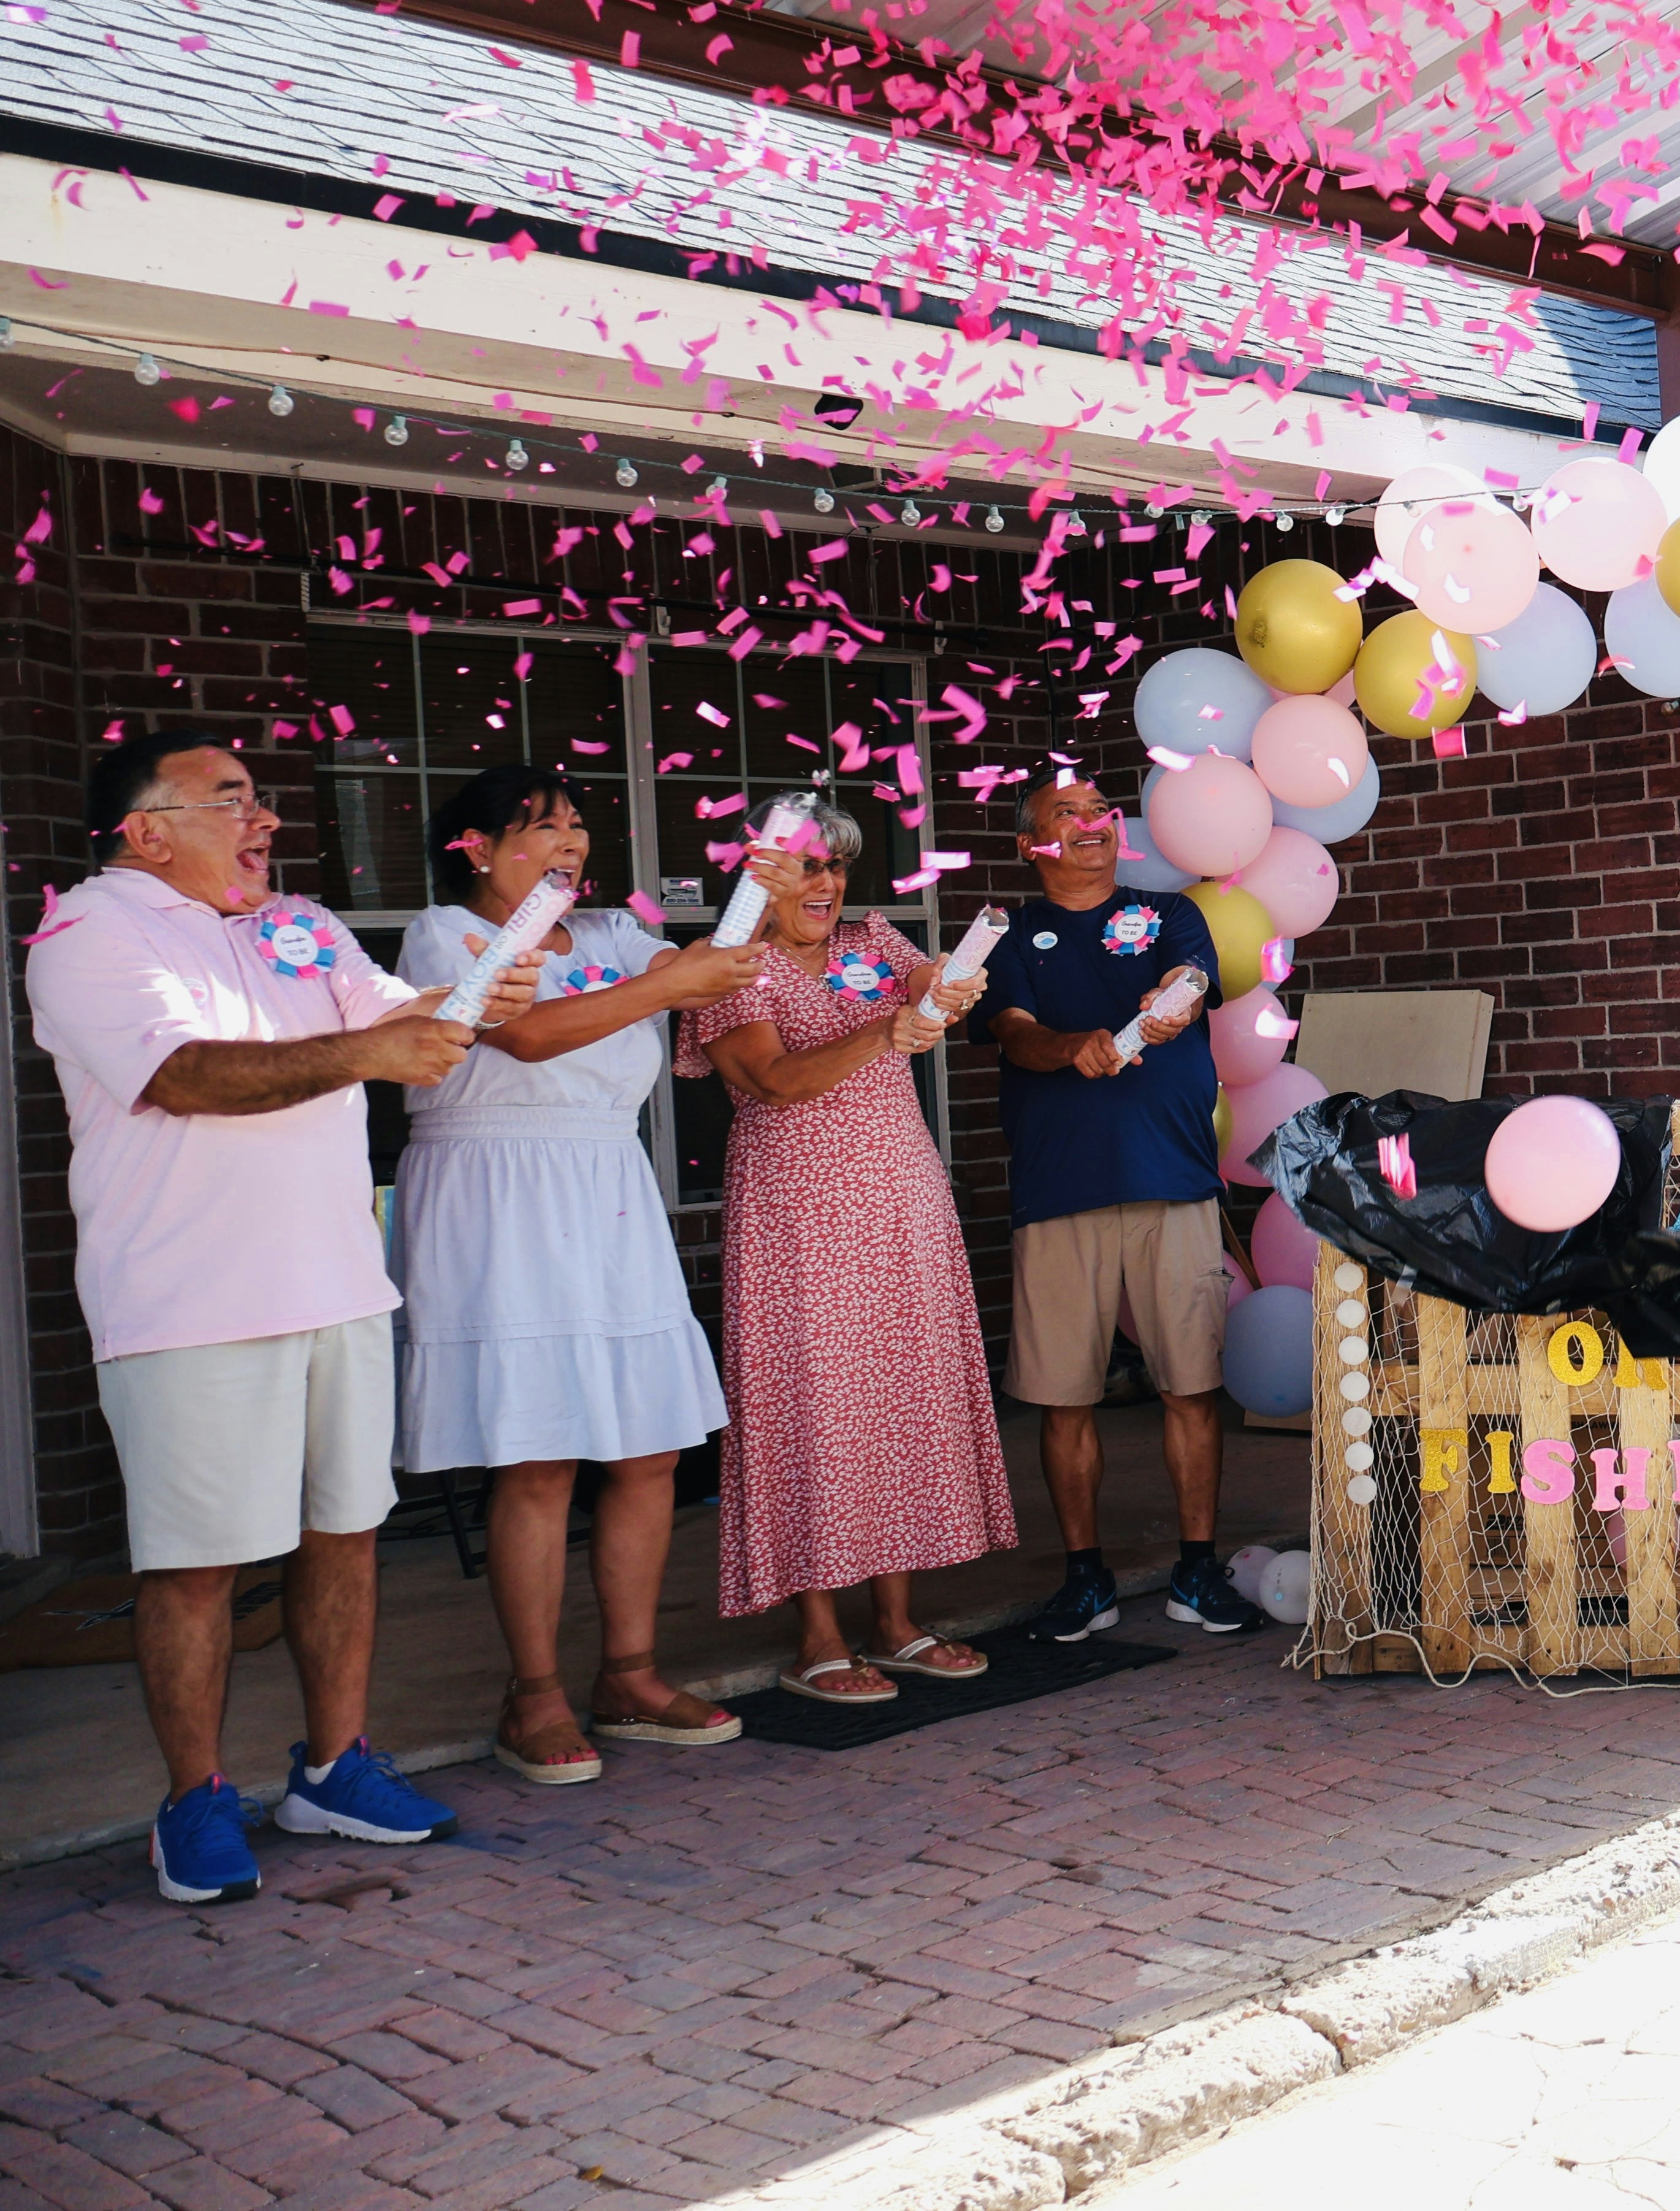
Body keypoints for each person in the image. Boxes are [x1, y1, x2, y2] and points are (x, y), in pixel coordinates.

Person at [28, 734, 540, 1903]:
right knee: (198, 1565)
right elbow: (186, 1077)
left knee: (346, 1534)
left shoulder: (293, 921)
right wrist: (377, 1044)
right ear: (144, 828)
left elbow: (404, 1021)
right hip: (187, 1300)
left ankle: (333, 1769)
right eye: (231, 800)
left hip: (339, 1283)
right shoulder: (88, 932)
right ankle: (195, 1800)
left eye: (260, 799)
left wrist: (480, 988)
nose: (261, 818)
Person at [392, 767, 769, 1781]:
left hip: (606, 1184)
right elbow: (520, 1035)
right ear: (472, 846)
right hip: (497, 1194)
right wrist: (670, 987)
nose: (569, 841)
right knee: (538, 1454)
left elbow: (714, 963)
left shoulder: (607, 938)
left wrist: (759, 889)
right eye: (539, 827)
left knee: (646, 1449)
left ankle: (631, 1675)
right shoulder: (442, 932)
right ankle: (535, 1695)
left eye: (574, 825)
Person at [673, 799, 1010, 1702]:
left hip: (900, 1198)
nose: (825, 885)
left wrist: (954, 982)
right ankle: (818, 1634)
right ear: (759, 874)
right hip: (800, 1215)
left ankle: (896, 1622)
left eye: (836, 867)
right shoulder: (734, 968)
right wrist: (882, 1034)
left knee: (896, 1397)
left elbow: (927, 982)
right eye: (805, 867)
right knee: (815, 1408)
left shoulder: (871, 940)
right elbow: (773, 1079)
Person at [978, 773, 1268, 1642]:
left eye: (1101, 810)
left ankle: (1195, 1568)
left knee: (1191, 1384)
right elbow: (1013, 1033)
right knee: (1065, 1398)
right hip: (1058, 1188)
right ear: (1033, 843)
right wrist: (1074, 1049)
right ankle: (1084, 1579)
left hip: (1172, 1182)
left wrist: (1172, 998)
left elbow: (1192, 971)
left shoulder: (1169, 911)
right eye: (1066, 814)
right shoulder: (1011, 934)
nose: (1091, 824)